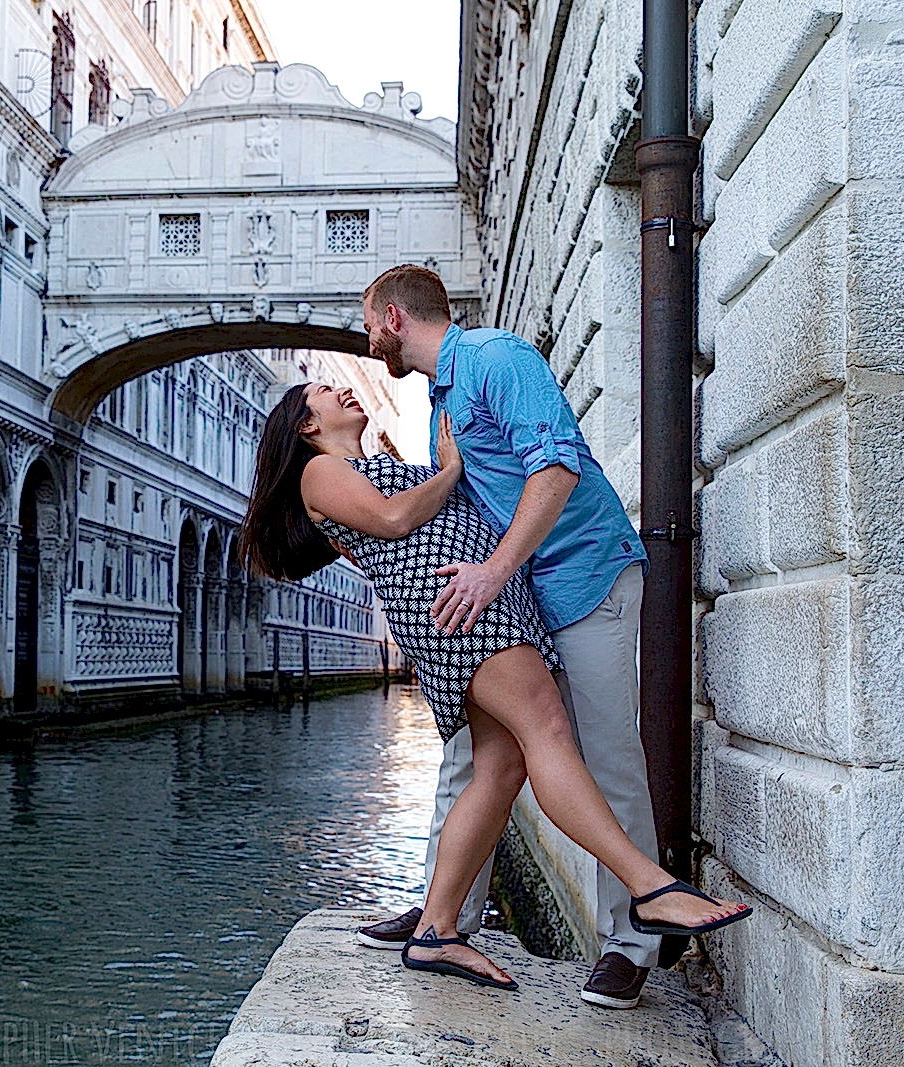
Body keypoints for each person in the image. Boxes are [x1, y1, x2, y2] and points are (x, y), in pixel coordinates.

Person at [241, 381, 750, 992]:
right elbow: (395, 519)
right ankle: (649, 889)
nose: (346, 390)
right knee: (550, 732)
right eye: (326, 391)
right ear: (304, 426)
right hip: (460, 610)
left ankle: (437, 931)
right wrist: (451, 466)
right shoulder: (320, 472)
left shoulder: (368, 463)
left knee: (501, 769)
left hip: (472, 605)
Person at [354, 263, 663, 1009]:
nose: (367, 341)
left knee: (605, 756)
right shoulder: (441, 404)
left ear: (394, 316)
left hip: (584, 579)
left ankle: (632, 942)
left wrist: (492, 573)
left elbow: (554, 469)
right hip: (520, 599)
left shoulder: (498, 358)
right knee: (468, 755)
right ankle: (443, 913)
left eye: (367, 323)